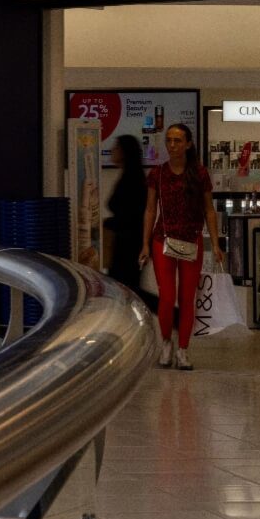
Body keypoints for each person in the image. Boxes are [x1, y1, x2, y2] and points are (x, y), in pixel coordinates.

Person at [139, 123, 223, 371]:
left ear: (188, 144)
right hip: (162, 239)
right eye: (169, 140)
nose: (172, 145)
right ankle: (166, 342)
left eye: (177, 141)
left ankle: (183, 348)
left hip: (190, 240)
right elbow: (150, 209)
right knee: (167, 296)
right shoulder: (158, 174)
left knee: (188, 298)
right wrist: (145, 244)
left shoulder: (199, 173)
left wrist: (216, 243)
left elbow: (209, 210)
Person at [104, 134, 147, 297]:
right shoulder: (129, 176)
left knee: (127, 288)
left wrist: (109, 223)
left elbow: (130, 215)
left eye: (116, 148)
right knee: (127, 288)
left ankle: (172, 314)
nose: (112, 151)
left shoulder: (132, 180)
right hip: (127, 242)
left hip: (129, 244)